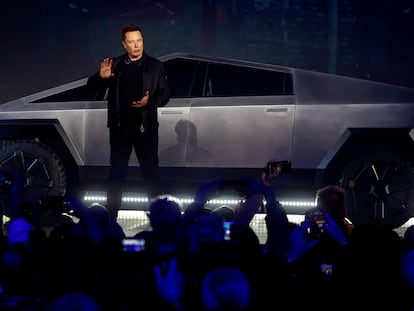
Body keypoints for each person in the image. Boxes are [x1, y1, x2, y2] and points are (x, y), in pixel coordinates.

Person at [87, 23, 171, 221]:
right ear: (124, 44)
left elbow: (165, 93)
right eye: (132, 42)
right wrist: (101, 78)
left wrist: (148, 102)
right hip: (120, 128)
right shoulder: (114, 65)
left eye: (139, 41)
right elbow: (91, 87)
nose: (136, 45)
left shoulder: (155, 66)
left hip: (146, 128)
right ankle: (111, 219)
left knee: (151, 175)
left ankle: (159, 220)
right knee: (116, 176)